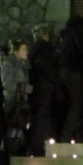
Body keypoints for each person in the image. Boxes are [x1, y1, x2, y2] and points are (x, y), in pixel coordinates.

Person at [57, 15, 83, 142]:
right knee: (77, 106)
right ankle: (68, 137)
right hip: (75, 72)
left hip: (62, 71)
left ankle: (72, 136)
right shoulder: (78, 34)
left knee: (70, 105)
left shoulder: (63, 36)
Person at [28, 24, 61, 155]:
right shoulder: (48, 50)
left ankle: (35, 146)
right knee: (43, 118)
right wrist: (56, 81)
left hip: (35, 87)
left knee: (37, 118)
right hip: (45, 88)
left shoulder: (33, 50)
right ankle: (39, 147)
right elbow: (49, 69)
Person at [1, 40, 33, 157]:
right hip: (12, 101)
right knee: (12, 129)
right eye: (24, 49)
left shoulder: (25, 65)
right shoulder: (9, 65)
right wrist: (24, 88)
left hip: (22, 102)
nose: (26, 52)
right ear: (16, 51)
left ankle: (17, 154)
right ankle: (9, 155)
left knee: (20, 129)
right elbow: (7, 83)